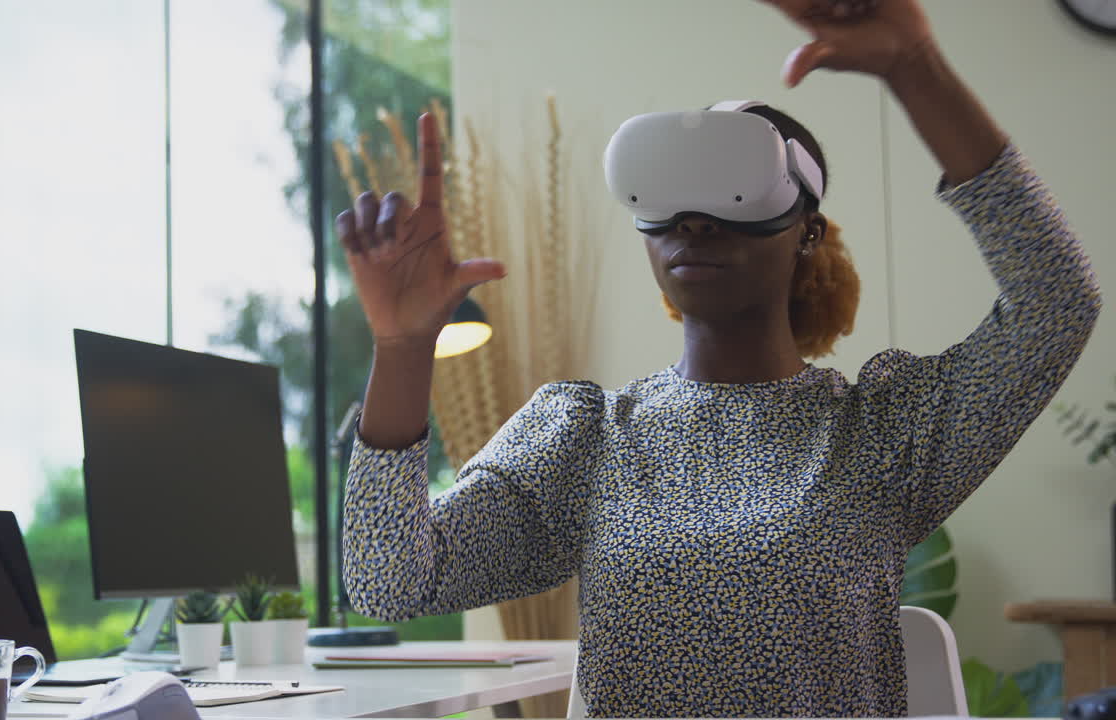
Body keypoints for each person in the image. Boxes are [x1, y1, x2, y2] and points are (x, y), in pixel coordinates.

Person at [334, 0, 1102, 716]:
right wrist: (403, 349)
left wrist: (915, 67)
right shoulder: (587, 438)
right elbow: (389, 579)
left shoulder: (884, 433)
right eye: (667, 200)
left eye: (733, 193)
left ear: (805, 229)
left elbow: (1057, 304)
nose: (694, 225)